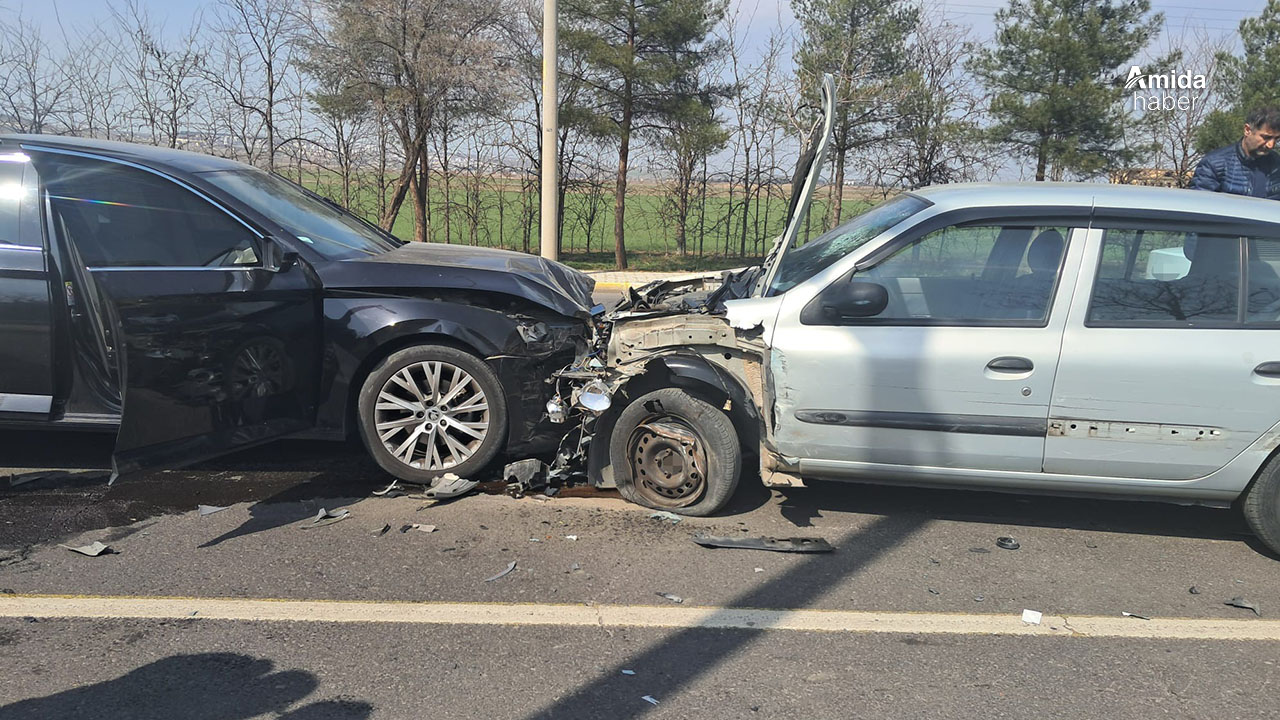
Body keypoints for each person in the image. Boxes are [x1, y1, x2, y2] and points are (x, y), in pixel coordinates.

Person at [1191, 106, 1280, 199]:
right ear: (1247, 130)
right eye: (1266, 137)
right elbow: (1199, 205)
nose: (1271, 144)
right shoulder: (1214, 164)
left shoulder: (1276, 165)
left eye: (1276, 139)